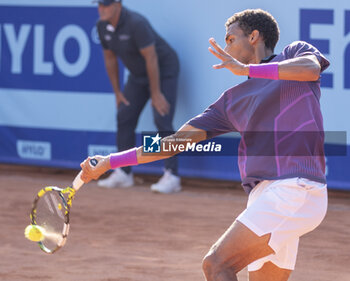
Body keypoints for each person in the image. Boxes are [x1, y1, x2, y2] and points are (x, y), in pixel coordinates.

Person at [82, 8, 329, 281]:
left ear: (254, 36)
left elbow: (311, 68)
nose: (225, 49)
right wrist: (111, 161)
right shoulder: (229, 101)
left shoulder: (295, 54)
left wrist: (249, 70)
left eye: (231, 39)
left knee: (216, 265)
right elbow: (173, 142)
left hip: (294, 188)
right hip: (264, 196)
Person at [94, 0, 181, 193]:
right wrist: (117, 92)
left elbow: (151, 58)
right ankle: (124, 173)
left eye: (106, 5)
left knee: (162, 117)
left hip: (164, 70)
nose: (101, 9)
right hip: (138, 76)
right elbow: (109, 59)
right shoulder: (102, 26)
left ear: (118, 4)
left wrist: (156, 93)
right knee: (124, 114)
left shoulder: (136, 23)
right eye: (99, 4)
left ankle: (172, 175)